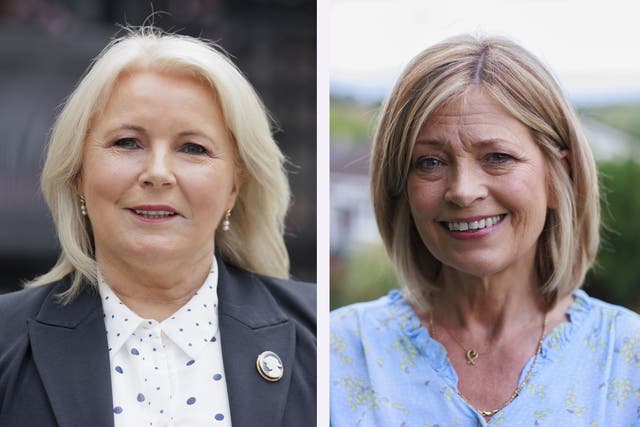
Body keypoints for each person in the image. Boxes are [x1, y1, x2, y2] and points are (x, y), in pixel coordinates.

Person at [0, 27, 315, 427]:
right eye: (128, 143)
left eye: (193, 148)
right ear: (78, 172)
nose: (158, 173)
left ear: (234, 186)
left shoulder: (319, 333)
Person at [330, 35, 640, 426]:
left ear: (560, 175)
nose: (462, 190)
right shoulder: (337, 351)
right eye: (429, 162)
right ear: (401, 186)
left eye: (497, 157)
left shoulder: (627, 358)